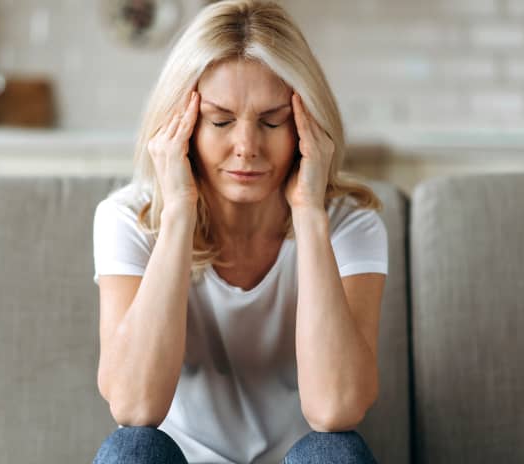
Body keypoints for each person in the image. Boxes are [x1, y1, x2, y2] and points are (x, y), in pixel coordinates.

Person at [91, 1, 388, 462]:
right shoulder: (128, 219)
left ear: (306, 126)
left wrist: (309, 213)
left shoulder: (351, 224)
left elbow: (335, 410)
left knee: (335, 452)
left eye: (272, 121)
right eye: (221, 121)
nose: (246, 147)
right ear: (181, 127)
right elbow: (133, 406)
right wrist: (178, 216)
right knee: (132, 448)